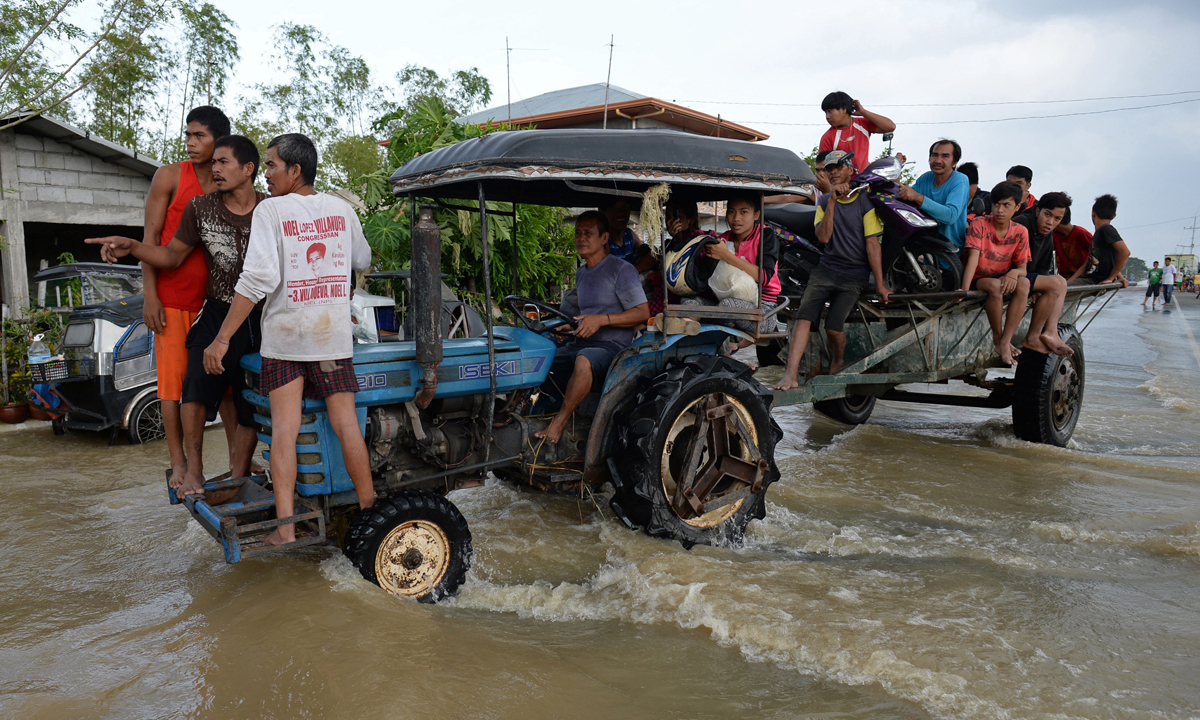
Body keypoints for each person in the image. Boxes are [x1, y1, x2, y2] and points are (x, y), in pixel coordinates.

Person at [202, 133, 375, 545]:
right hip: (330, 341)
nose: (267, 174)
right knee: (347, 423)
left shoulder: (271, 211)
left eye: (272, 166)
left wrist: (221, 338)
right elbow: (363, 260)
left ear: (295, 170)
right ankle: (372, 512)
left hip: (285, 341)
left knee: (284, 430)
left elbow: (258, 278)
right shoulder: (341, 209)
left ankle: (285, 529)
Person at [86, 136, 268, 497]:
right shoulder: (200, 208)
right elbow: (171, 256)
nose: (215, 169)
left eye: (224, 162)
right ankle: (194, 472)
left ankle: (239, 472)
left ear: (248, 170)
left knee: (249, 399)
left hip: (263, 315)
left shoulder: (273, 208)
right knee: (194, 384)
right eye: (213, 162)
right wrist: (134, 246)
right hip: (217, 311)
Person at [775, 150, 889, 390]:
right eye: (829, 169)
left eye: (839, 167)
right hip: (826, 268)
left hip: (854, 274)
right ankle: (791, 375)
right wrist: (833, 201)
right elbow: (824, 237)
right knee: (804, 315)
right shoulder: (825, 201)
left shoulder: (865, 201)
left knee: (833, 327)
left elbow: (872, 244)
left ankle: (838, 359)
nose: (833, 172)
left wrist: (879, 284)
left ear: (851, 170)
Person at [534, 211, 649, 444]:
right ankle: (531, 416)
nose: (581, 238)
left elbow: (643, 313)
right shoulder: (582, 273)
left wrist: (601, 320)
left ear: (604, 238)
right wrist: (570, 325)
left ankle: (560, 422)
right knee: (539, 360)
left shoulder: (621, 270)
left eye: (588, 233)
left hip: (613, 348)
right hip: (581, 342)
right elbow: (588, 314)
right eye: (578, 233)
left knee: (583, 360)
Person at [682, 193, 782, 338]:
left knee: (728, 306)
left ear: (756, 215)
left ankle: (697, 319)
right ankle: (694, 320)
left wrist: (726, 255)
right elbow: (707, 279)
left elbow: (764, 277)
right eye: (731, 211)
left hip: (762, 310)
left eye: (744, 212)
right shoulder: (723, 240)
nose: (736, 218)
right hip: (722, 302)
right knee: (689, 301)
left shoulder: (765, 236)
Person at [961, 181, 1032, 366]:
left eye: (1006, 205)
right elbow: (973, 259)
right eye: (996, 204)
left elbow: (1023, 268)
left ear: (1016, 207)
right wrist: (964, 290)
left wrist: (1014, 274)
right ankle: (997, 338)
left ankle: (1005, 341)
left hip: (1001, 277)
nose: (1000, 210)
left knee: (1024, 283)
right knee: (994, 285)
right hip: (978, 278)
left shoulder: (1020, 231)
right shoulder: (980, 224)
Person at [898, 139, 970, 249]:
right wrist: (897, 165)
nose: (938, 160)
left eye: (945, 156)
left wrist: (918, 197)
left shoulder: (960, 180)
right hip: (925, 250)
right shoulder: (926, 178)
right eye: (934, 155)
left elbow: (950, 215)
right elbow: (904, 196)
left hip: (950, 255)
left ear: (955, 163)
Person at [818, 92, 896, 174]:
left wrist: (863, 112)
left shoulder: (862, 124)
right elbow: (822, 167)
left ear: (844, 109)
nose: (827, 117)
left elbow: (890, 127)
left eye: (830, 112)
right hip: (841, 185)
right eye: (825, 113)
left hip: (864, 182)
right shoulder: (827, 137)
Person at [1068, 194, 1129, 287]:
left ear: (1093, 213)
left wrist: (1110, 278)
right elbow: (1088, 263)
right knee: (1059, 285)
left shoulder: (1106, 229)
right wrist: (1068, 282)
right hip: (1088, 278)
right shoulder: (1099, 233)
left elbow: (1125, 253)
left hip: (1095, 280)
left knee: (1052, 293)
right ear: (1114, 216)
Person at [1014, 191, 1072, 276]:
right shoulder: (1021, 224)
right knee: (1055, 283)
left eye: (1057, 218)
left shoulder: (1048, 235)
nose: (1050, 222)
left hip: (1027, 277)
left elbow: (1043, 268)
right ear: (1038, 211)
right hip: (1011, 275)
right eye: (1047, 214)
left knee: (1059, 281)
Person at [1052, 206, 1093, 278]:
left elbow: (1101, 252)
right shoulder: (1054, 234)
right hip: (1064, 277)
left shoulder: (1081, 233)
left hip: (1083, 276)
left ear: (1059, 220)